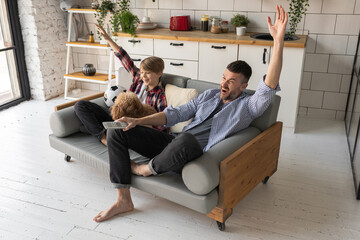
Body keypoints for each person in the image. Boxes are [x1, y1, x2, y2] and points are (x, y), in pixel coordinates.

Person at [93, 5, 288, 222]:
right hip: (172, 143)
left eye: (231, 81)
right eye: (224, 77)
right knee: (118, 131)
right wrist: (137, 121)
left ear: (243, 86)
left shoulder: (249, 106)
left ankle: (145, 169)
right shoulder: (210, 95)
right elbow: (173, 114)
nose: (224, 83)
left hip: (195, 152)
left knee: (186, 139)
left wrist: (277, 42)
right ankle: (123, 200)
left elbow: (268, 86)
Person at [74, 24, 167, 146]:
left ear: (159, 73)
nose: (143, 76)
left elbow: (162, 124)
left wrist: (137, 122)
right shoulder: (138, 78)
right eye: (142, 72)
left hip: (133, 125)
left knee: (99, 124)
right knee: (80, 106)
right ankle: (103, 138)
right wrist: (108, 39)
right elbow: (123, 57)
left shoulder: (159, 95)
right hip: (117, 116)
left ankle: (97, 130)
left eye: (148, 73)